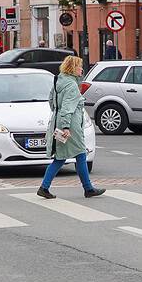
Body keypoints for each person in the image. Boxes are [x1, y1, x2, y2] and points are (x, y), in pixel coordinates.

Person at [39, 55, 105, 200]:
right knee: (80, 154)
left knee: (61, 157)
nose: (82, 69)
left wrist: (59, 119)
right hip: (70, 126)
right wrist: (66, 127)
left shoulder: (58, 80)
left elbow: (52, 101)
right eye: (79, 66)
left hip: (58, 122)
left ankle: (45, 187)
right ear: (72, 68)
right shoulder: (71, 86)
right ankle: (88, 189)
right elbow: (68, 108)